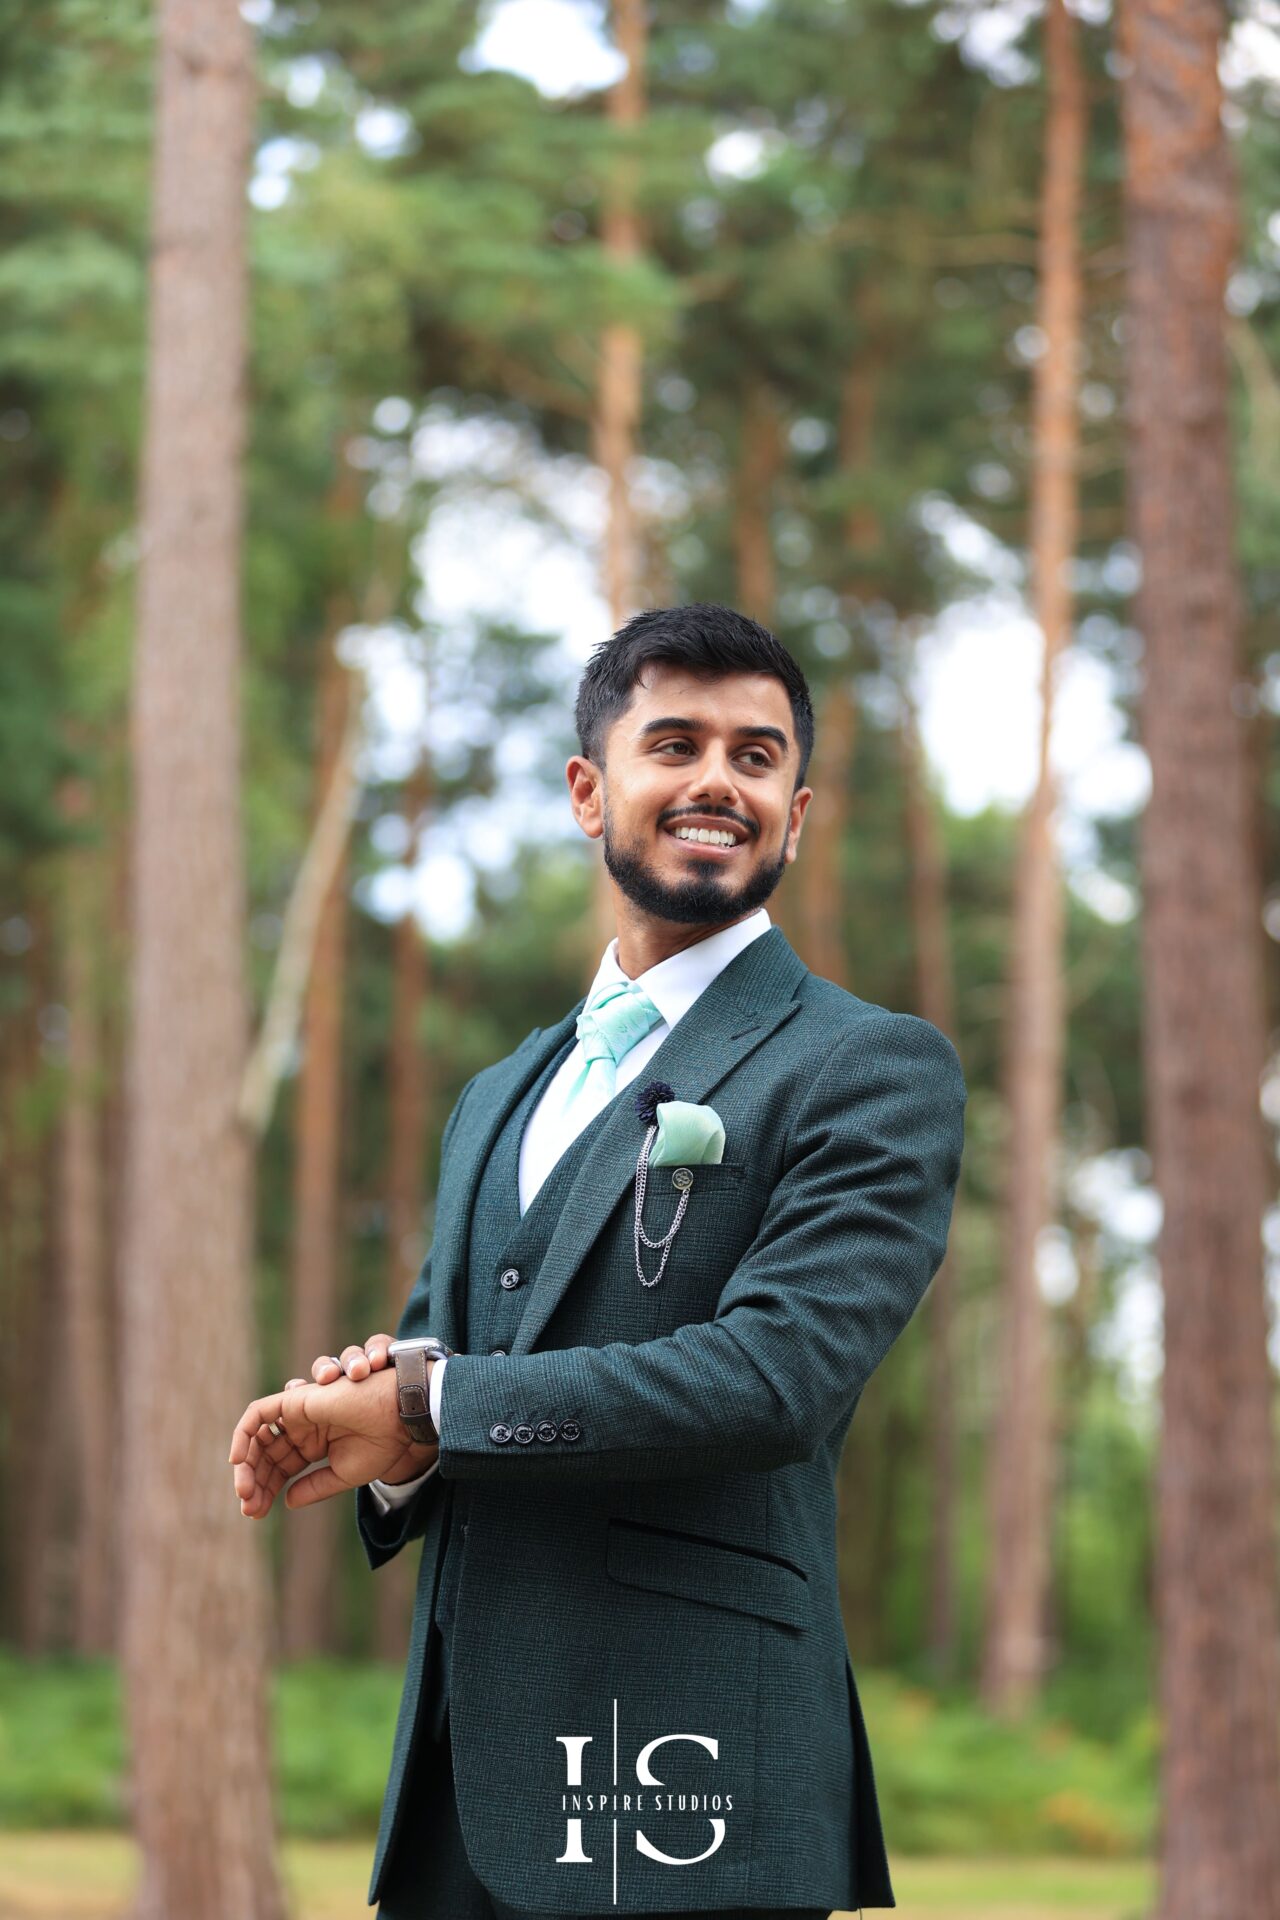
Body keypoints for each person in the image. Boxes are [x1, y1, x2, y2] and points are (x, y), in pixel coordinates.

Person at [229, 603, 967, 1920]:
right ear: (590, 790)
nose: (714, 782)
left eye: (755, 756)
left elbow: (773, 1378)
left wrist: (430, 1405)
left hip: (694, 1784)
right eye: (673, 742)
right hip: (462, 1791)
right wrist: (388, 1435)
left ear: (797, 811)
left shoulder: (868, 1064)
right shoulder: (499, 1093)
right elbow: (445, 1360)